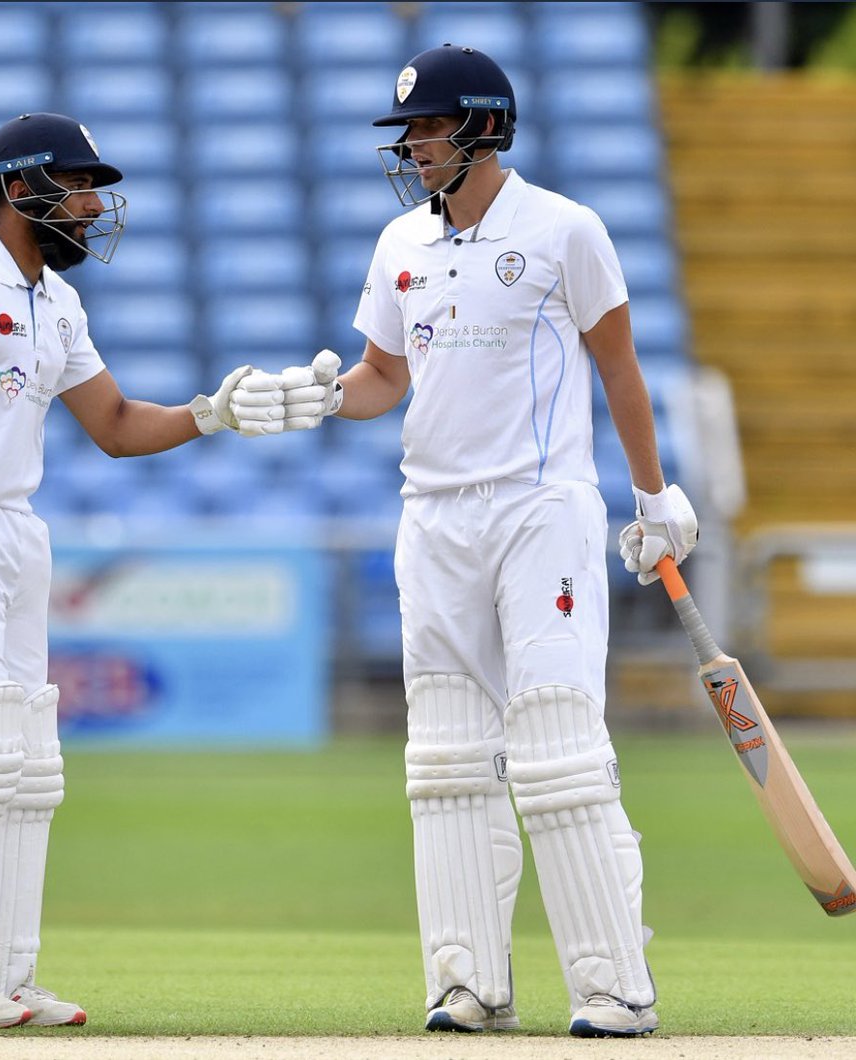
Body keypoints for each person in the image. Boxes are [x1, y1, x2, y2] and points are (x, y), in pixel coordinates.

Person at [255, 45, 698, 1038]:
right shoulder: (397, 246)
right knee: (447, 758)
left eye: (429, 128)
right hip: (434, 518)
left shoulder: (563, 230)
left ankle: (613, 987)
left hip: (541, 508)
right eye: (408, 131)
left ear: (485, 128)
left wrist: (653, 494)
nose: (413, 146)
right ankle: (469, 984)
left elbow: (620, 368)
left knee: (555, 746)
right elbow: (382, 377)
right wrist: (320, 396)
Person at [0, 112, 284, 1029]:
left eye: (94, 190)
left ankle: (6, 970)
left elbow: (118, 425)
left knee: (25, 763)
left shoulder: (57, 300)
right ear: (19, 189)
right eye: (78, 187)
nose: (92, 206)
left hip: (15, 532)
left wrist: (214, 412)